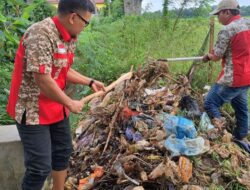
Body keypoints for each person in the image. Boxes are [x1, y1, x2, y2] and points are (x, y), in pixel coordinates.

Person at [6, 0, 105, 189]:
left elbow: (62, 69)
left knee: (62, 153)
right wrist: (70, 102)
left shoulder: (69, 36)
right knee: (39, 168)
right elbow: (42, 79)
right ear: (73, 17)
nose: (85, 27)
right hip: (33, 110)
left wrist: (90, 82)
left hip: (55, 106)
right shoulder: (40, 34)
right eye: (86, 22)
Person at [202, 0, 250, 141]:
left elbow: (216, 56)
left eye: (219, 14)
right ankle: (240, 136)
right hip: (247, 76)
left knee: (210, 103)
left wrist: (208, 56)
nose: (218, 18)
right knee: (241, 108)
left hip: (233, 78)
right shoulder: (248, 23)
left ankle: (223, 136)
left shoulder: (227, 30)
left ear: (227, 12)